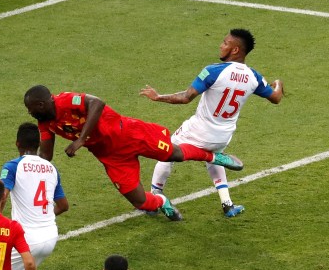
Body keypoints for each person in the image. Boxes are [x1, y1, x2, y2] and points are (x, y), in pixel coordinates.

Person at [24, 84, 245, 222]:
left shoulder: (65, 100)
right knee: (140, 201)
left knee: (173, 154)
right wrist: (29, 165)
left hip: (128, 134)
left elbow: (97, 103)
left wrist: (81, 139)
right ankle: (161, 202)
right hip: (111, 157)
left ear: (42, 104)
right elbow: (46, 156)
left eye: (31, 108)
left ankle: (214, 157)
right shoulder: (45, 123)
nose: (29, 112)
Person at [139, 28, 284, 217]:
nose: (221, 45)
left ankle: (155, 197)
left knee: (166, 151)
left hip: (198, 130)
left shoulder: (213, 71)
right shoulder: (254, 77)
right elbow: (276, 98)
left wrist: (158, 97)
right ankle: (228, 205)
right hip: (223, 136)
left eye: (225, 43)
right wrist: (279, 83)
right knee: (213, 158)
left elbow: (185, 97)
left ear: (235, 50)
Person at [0, 122, 69, 270]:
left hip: (26, 238)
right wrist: (43, 218)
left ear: (17, 143)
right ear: (38, 145)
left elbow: (3, 195)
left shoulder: (13, 166)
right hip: (50, 237)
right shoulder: (51, 168)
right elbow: (63, 205)